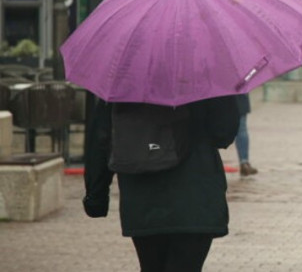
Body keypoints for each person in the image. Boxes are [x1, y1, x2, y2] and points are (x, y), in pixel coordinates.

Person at [82, 95, 240, 271]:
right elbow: (223, 134)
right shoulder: (203, 78)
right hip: (195, 196)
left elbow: (100, 139)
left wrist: (96, 196)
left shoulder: (122, 83)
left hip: (142, 198)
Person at [235, 94, 258, 176]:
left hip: (219, 99)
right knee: (241, 130)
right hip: (239, 96)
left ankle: (210, 163)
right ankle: (244, 162)